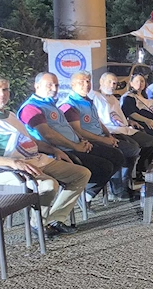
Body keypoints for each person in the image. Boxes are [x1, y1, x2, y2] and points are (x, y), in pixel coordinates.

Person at [0, 74, 91, 237]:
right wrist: (13, 163)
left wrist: (54, 150)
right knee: (48, 185)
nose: (2, 94)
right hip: (2, 172)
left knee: (81, 174)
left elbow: (30, 142)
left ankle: (55, 218)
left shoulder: (11, 116)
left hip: (33, 161)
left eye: (5, 89)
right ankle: (37, 223)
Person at [18, 72, 121, 201]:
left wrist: (82, 140)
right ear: (37, 86)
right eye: (49, 85)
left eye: (56, 85)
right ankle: (84, 195)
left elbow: (68, 127)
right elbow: (48, 135)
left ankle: (88, 193)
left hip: (76, 145)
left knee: (117, 156)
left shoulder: (51, 104)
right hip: (60, 152)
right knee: (104, 167)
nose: (54, 89)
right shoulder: (31, 108)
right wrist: (75, 146)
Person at [60, 71, 141, 199]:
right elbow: (77, 131)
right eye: (81, 82)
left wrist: (109, 136)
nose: (86, 85)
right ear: (72, 85)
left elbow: (98, 121)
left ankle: (122, 186)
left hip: (101, 137)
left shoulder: (88, 100)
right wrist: (103, 140)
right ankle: (105, 190)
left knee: (133, 148)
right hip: (88, 141)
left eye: (88, 81)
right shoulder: (70, 104)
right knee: (119, 154)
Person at [91, 72, 153, 182]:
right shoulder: (95, 97)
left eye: (114, 83)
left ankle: (140, 168)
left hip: (124, 128)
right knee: (133, 147)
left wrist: (129, 121)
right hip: (110, 131)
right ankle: (124, 182)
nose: (112, 85)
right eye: (110, 82)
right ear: (101, 82)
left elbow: (119, 116)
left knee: (151, 141)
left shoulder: (113, 98)